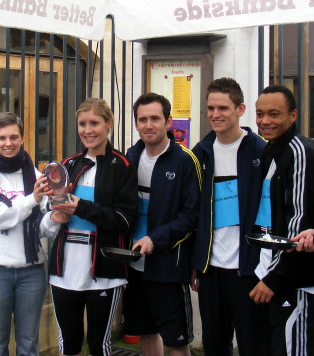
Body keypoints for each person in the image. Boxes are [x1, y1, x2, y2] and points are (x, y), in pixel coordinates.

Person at [0, 112, 65, 356]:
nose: (8, 143)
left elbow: (40, 227)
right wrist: (32, 199)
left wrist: (55, 218)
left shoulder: (33, 173)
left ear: (22, 138)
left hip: (31, 270)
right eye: (2, 138)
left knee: (29, 344)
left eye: (13, 137)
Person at [47, 98, 138, 356]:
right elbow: (51, 207)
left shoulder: (123, 166)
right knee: (69, 343)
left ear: (108, 124)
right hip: (64, 268)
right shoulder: (69, 164)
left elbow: (125, 220)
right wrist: (54, 211)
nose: (88, 130)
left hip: (104, 269)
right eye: (82, 124)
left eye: (94, 123)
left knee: (100, 345)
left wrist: (82, 207)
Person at [191, 77, 268, 356]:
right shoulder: (200, 154)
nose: (215, 115)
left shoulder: (261, 151)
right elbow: (194, 213)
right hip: (211, 270)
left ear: (240, 109)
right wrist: (196, 262)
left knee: (253, 344)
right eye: (210, 108)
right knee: (214, 344)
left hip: (249, 270)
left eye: (223, 108)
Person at [122, 93, 200, 356]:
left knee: (176, 342)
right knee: (145, 333)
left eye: (155, 118)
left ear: (168, 121)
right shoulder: (129, 158)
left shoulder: (185, 161)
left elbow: (191, 216)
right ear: (135, 123)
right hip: (133, 264)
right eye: (142, 119)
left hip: (168, 267)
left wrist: (155, 239)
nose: (148, 125)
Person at [249, 85, 314, 356]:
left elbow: (298, 226)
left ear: (293, 116)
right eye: (260, 114)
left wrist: (275, 280)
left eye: (274, 114)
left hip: (294, 283)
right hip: (269, 274)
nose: (265, 121)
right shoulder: (270, 151)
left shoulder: (299, 153)